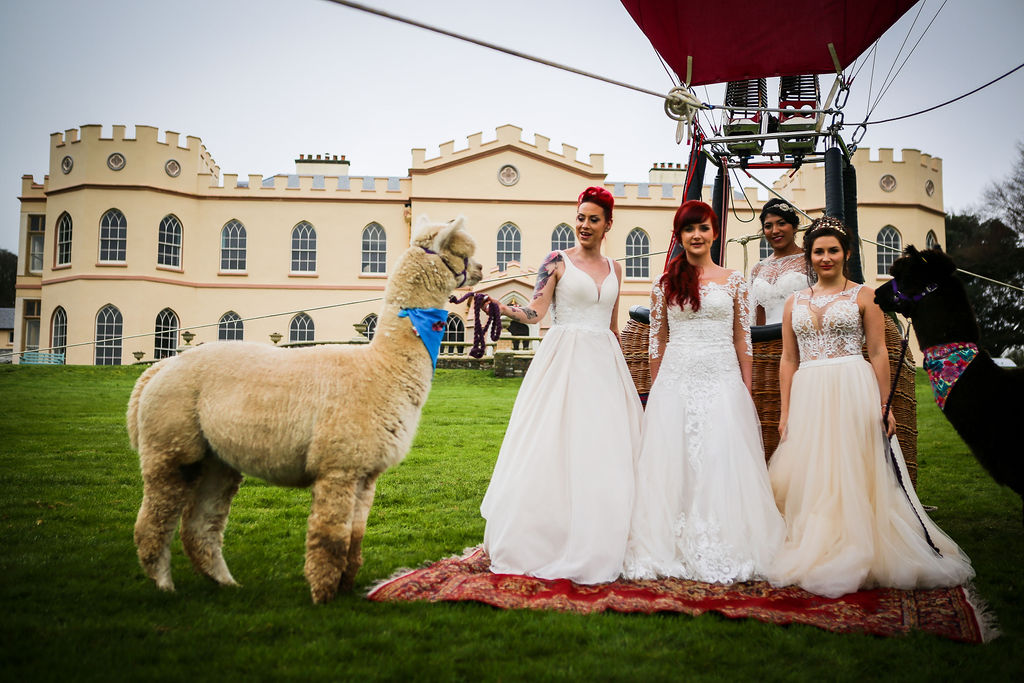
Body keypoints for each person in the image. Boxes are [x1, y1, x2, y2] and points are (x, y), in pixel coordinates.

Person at [766, 217, 974, 598]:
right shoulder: (794, 301)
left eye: (833, 250)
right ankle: (819, 540)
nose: (825, 257)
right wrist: (784, 413)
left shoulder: (864, 296)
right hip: (809, 390)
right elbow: (788, 360)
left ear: (846, 253)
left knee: (854, 467)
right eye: (818, 251)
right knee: (815, 469)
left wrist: (885, 404)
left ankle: (860, 541)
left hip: (852, 387)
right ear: (809, 257)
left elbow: (878, 351)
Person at [480, 186, 643, 584]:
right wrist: (501, 307)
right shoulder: (556, 261)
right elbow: (535, 312)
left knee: (605, 448)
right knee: (556, 443)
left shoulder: (616, 269)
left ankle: (603, 532)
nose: (584, 226)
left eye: (593, 219)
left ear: (607, 224)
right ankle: (547, 535)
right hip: (564, 359)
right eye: (580, 218)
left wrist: (622, 370)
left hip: (604, 361)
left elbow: (611, 323)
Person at [623, 201, 785, 583]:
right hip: (676, 380)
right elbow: (656, 342)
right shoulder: (665, 284)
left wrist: (745, 388)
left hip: (722, 379)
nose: (696, 235)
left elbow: (743, 339)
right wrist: (657, 389)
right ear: (680, 236)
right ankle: (668, 539)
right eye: (688, 229)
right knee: (673, 460)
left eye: (703, 228)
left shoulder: (734, 281)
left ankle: (728, 538)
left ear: (715, 233)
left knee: (720, 459)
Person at [749, 198, 811, 325]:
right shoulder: (758, 269)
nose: (775, 230)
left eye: (781, 223)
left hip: (802, 337)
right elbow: (757, 316)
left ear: (795, 227)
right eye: (768, 226)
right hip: (768, 342)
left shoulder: (810, 260)